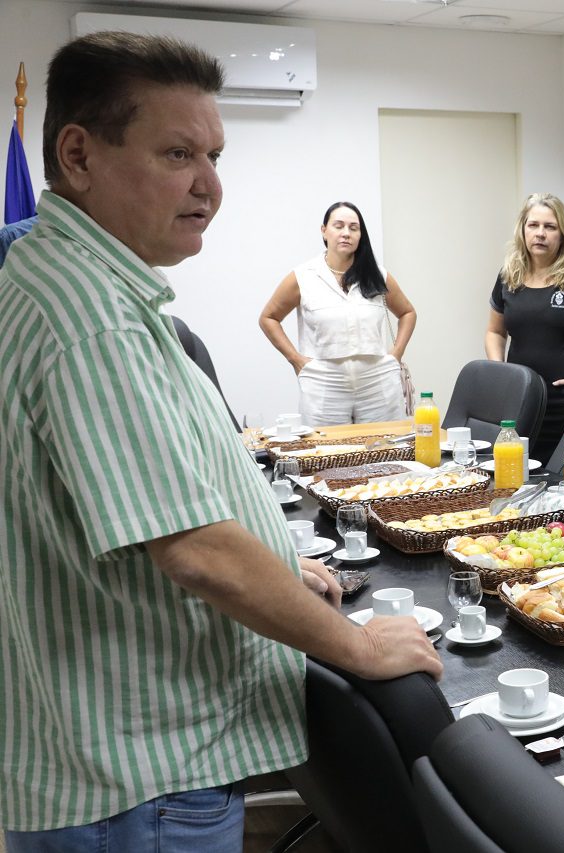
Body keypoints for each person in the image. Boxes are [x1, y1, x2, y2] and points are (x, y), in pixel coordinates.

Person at [0, 32, 441, 849]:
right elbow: (196, 550)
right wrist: (361, 648)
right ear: (77, 153)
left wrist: (272, 559)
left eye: (215, 155)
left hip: (100, 756)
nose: (210, 186)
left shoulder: (57, 276)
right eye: (177, 154)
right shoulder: (92, 321)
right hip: (141, 775)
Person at [260, 201, 417, 426]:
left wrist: (396, 354)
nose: (346, 233)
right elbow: (269, 318)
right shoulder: (304, 276)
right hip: (324, 383)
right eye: (338, 226)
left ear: (361, 235)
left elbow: (407, 312)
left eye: (354, 228)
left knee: (386, 449)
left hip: (377, 381)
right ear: (324, 231)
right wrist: (295, 359)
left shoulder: (376, 275)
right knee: (326, 454)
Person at [485, 193, 564, 463]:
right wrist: (500, 372)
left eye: (550, 227)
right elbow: (495, 332)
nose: (540, 233)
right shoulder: (509, 275)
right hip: (520, 399)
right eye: (534, 225)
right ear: (523, 229)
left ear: (562, 233)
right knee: (519, 473)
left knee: (563, 476)